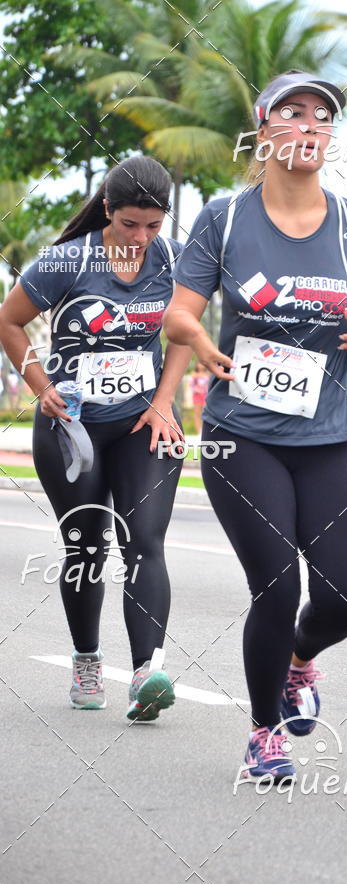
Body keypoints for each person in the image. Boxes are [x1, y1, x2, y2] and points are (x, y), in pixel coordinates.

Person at [164, 70, 347, 781]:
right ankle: (264, 734)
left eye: (322, 116)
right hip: (243, 436)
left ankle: (300, 662)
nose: (309, 125)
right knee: (275, 585)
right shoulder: (225, 218)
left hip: (332, 434)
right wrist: (200, 342)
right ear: (263, 129)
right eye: (292, 112)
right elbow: (179, 312)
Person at [0, 156, 190, 721]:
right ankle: (87, 659)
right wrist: (41, 388)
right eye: (130, 224)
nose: (140, 237)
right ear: (108, 210)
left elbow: (183, 331)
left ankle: (146, 673)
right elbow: (9, 321)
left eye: (153, 225)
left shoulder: (173, 259)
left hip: (144, 422)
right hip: (73, 427)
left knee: (145, 541)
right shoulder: (68, 260)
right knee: (87, 548)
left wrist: (163, 401)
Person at [190, 361, 210, 433]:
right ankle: (198, 431)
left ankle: (204, 430)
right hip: (197, 395)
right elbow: (191, 385)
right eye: (199, 363)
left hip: (205, 395)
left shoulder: (207, 374)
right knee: (197, 413)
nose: (201, 365)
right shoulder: (194, 374)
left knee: (205, 413)